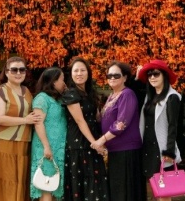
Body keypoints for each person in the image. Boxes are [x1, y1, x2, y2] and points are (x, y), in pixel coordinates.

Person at [0, 57, 41, 201]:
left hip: (24, 143)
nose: (18, 73)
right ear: (6, 72)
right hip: (4, 144)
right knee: (3, 183)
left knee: (18, 182)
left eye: (22, 70)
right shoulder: (1, 90)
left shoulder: (27, 91)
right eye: (14, 70)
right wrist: (25, 120)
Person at [92, 61, 145, 201]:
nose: (112, 78)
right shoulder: (112, 96)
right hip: (115, 152)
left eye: (116, 75)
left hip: (127, 151)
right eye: (109, 75)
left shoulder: (127, 94)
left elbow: (120, 125)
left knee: (125, 193)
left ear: (125, 77)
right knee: (117, 193)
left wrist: (101, 140)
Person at [60, 56, 109, 200]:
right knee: (82, 187)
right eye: (76, 71)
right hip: (79, 145)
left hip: (93, 143)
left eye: (82, 70)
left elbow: (96, 118)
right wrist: (95, 143)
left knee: (96, 184)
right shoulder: (71, 94)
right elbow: (80, 121)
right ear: (71, 74)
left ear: (88, 73)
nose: (79, 74)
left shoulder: (90, 93)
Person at [138, 59, 181, 201]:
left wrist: (169, 151)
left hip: (161, 149)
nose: (152, 77)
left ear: (164, 76)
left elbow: (172, 126)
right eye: (149, 75)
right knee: (155, 189)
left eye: (156, 74)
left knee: (164, 191)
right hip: (148, 147)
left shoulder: (172, 97)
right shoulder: (150, 96)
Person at [31, 66, 68, 201]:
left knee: (55, 185)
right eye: (62, 79)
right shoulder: (42, 98)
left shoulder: (58, 99)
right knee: (46, 185)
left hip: (58, 147)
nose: (64, 83)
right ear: (53, 81)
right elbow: (38, 123)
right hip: (46, 147)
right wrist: (46, 146)